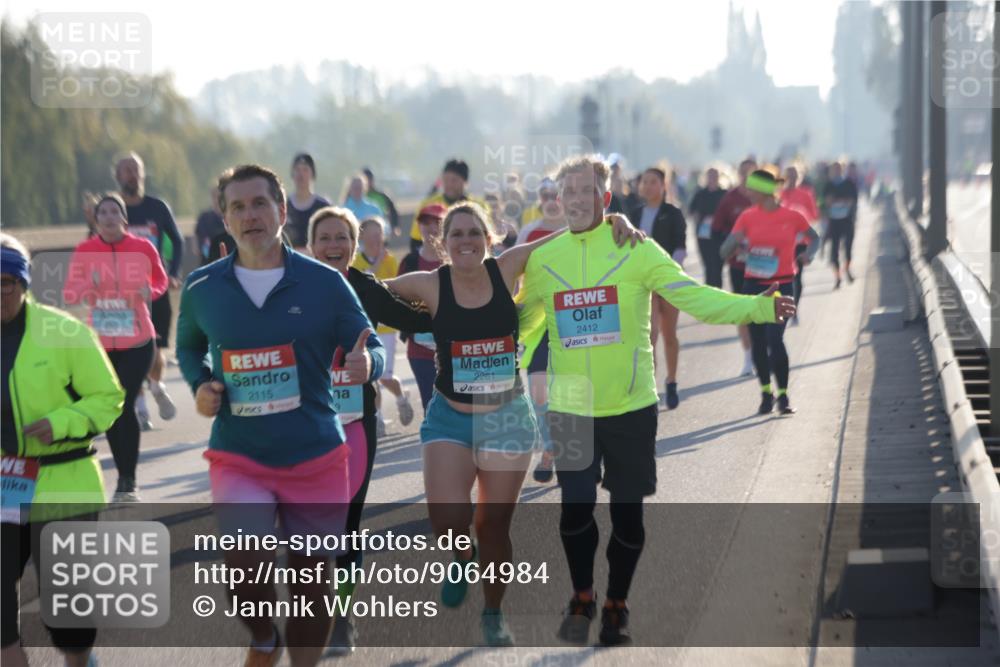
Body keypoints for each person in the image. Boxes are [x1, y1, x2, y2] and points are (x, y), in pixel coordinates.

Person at [517, 155, 795, 647]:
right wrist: (470, 342)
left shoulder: (636, 250)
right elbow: (524, 325)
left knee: (628, 517)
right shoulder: (544, 260)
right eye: (569, 193)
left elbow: (693, 296)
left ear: (605, 198)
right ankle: (582, 595)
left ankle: (616, 604)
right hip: (572, 406)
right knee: (575, 511)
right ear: (559, 201)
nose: (578, 200)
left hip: (629, 407)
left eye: (587, 191)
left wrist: (758, 306)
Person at [386, 202, 642, 647]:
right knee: (447, 521)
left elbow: (567, 235)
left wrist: (610, 221)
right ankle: (461, 557)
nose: (465, 240)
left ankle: (493, 611)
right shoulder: (427, 283)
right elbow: (359, 291)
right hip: (450, 417)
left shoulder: (507, 267)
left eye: (473, 232)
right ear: (442, 245)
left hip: (506, 417)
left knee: (493, 527)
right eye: (456, 234)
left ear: (490, 237)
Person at [176, 164, 385, 667]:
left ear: (282, 210)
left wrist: (366, 364)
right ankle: (264, 638)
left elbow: (370, 345)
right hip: (239, 455)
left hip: (314, 455)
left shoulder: (324, 284)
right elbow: (188, 348)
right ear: (224, 219)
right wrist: (200, 384)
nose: (250, 216)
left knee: (312, 587)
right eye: (237, 207)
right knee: (242, 572)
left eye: (260, 204)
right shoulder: (203, 288)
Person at [307, 206, 432, 654]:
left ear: (355, 245)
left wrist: (474, 304)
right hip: (300, 428)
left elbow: (413, 321)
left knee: (347, 526)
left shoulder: (363, 287)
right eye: (325, 238)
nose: (334, 246)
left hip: (355, 424)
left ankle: (340, 616)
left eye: (343, 237)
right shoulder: (290, 288)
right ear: (310, 245)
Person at [1, 233, 124, 667]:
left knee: (68, 609)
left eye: (8, 281)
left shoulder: (66, 332)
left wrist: (61, 423)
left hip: (63, 479)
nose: (1, 291)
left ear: (24, 282)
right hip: (4, 486)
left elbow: (108, 398)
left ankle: (79, 658)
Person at [62, 192, 169, 502]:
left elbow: (160, 282)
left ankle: (128, 481)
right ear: (96, 220)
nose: (109, 216)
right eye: (103, 212)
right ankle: (124, 479)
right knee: (112, 407)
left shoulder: (142, 247)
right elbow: (70, 293)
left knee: (122, 397)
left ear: (124, 218)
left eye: (114, 211)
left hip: (138, 339)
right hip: (103, 342)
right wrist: (89, 285)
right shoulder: (85, 250)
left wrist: (145, 289)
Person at [721, 169, 819, 415]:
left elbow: (814, 238)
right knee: (758, 341)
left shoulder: (792, 216)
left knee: (775, 339)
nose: (747, 192)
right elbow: (724, 251)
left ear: (763, 191)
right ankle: (766, 393)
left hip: (783, 284)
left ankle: (783, 396)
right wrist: (736, 244)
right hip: (754, 285)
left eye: (751, 189)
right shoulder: (747, 217)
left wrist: (808, 254)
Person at [115, 152, 180, 428]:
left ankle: (156, 385)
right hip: (121, 293)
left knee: (157, 345)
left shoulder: (157, 207)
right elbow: (93, 244)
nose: (131, 174)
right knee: (130, 348)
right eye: (126, 170)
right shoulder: (111, 209)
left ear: (143, 174)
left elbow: (176, 240)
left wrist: (174, 272)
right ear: (118, 176)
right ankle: (140, 407)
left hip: (155, 287)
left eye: (135, 169)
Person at [516, 177, 565, 483]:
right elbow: (511, 271)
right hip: (537, 321)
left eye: (554, 194)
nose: (549, 199)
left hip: (571, 319)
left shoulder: (578, 229)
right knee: (538, 389)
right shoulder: (529, 232)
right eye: (544, 194)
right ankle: (549, 450)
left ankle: (583, 449)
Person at [352, 216, 416, 435]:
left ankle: (400, 397)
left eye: (379, 234)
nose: (376, 239)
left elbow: (397, 291)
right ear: (362, 237)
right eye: (371, 235)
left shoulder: (390, 261)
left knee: (385, 376)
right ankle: (377, 417)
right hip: (365, 326)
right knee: (372, 374)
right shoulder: (356, 262)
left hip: (387, 328)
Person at [632, 167, 688, 409]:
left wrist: (669, 269)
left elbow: (681, 246)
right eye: (644, 182)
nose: (648, 186)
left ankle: (672, 381)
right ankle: (651, 390)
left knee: (669, 335)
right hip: (644, 283)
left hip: (668, 281)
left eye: (653, 182)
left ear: (663, 185)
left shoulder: (673, 213)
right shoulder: (633, 214)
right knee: (650, 335)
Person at [397, 203, 447, 411]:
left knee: (453, 404)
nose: (430, 227)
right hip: (420, 350)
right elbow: (396, 299)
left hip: (450, 348)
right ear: (419, 226)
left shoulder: (454, 261)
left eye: (436, 222)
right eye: (425, 222)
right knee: (431, 405)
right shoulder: (410, 261)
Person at [712, 158, 757, 376]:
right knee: (742, 310)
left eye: (752, 173)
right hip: (738, 264)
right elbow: (717, 228)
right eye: (744, 173)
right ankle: (748, 357)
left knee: (761, 311)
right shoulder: (730, 199)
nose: (747, 178)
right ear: (738, 175)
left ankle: (761, 352)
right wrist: (732, 245)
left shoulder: (765, 198)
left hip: (765, 264)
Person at [409, 159, 485, 252]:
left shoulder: (479, 206)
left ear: (465, 182)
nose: (449, 184)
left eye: (454, 180)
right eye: (445, 179)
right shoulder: (427, 205)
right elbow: (415, 240)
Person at [779, 165, 820, 319]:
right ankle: (786, 305)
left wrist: (800, 213)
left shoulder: (806, 194)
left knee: (797, 276)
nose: (792, 179)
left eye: (794, 175)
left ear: (799, 177)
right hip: (783, 242)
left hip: (801, 240)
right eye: (789, 175)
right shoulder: (779, 194)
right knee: (785, 276)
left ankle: (794, 307)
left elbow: (814, 215)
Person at [688, 167, 728, 288]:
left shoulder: (724, 194)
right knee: (708, 266)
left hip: (720, 235)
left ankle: (719, 294)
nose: (712, 178)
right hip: (704, 235)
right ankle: (710, 293)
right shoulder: (700, 194)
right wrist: (699, 221)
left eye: (715, 176)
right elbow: (691, 211)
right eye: (710, 176)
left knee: (718, 267)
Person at [822, 161, 859, 289]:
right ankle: (837, 277)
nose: (836, 172)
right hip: (834, 222)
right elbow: (827, 202)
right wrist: (841, 201)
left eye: (838, 169)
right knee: (834, 252)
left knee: (848, 249)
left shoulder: (849, 184)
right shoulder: (828, 185)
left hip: (848, 221)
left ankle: (847, 269)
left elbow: (852, 201)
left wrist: (836, 201)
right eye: (834, 170)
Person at [285, 152, 331, 249]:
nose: (301, 174)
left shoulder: (323, 207)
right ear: (292, 174)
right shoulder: (283, 205)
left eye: (305, 170)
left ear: (312, 174)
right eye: (297, 170)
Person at [194, 185, 227, 266]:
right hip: (207, 263)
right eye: (215, 197)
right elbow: (196, 243)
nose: (217, 200)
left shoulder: (231, 218)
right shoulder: (204, 218)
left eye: (220, 197)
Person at [362, 167, 400, 236]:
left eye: (370, 179)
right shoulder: (358, 197)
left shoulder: (382, 196)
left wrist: (394, 226)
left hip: (381, 230)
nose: (368, 182)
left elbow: (393, 210)